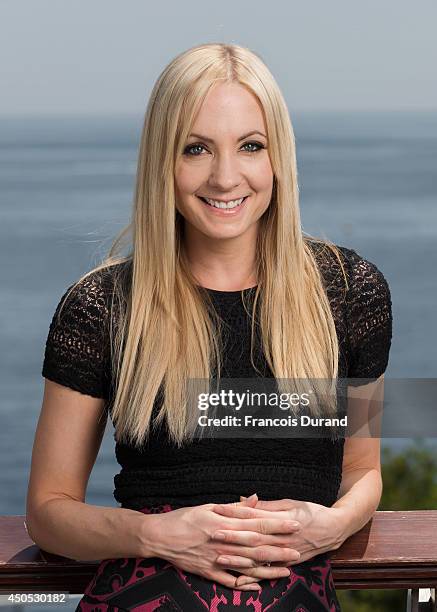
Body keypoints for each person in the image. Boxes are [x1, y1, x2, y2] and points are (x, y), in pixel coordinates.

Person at [26, 43, 393, 611]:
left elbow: (363, 472)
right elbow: (48, 512)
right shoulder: (101, 306)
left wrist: (328, 527)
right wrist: (155, 535)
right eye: (196, 149)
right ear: (162, 164)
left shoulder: (347, 292)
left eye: (250, 146)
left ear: (278, 159)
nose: (226, 178)